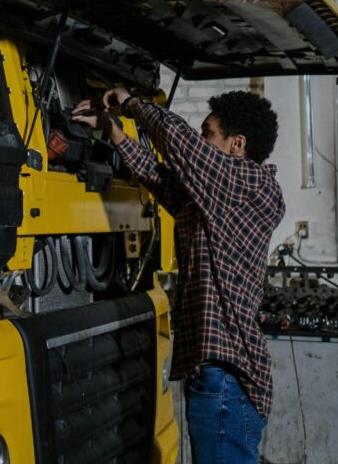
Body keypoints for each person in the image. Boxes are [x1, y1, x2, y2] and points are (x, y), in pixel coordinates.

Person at [72, 85, 283, 464]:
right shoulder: (219, 200)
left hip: (227, 379)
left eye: (208, 135)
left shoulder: (251, 185)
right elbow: (162, 179)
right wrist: (113, 129)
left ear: (237, 144)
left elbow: (180, 144)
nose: (200, 143)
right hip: (217, 378)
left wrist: (133, 104)